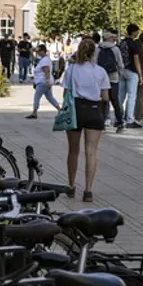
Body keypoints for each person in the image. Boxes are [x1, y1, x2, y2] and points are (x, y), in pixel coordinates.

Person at [63, 37, 108, 202]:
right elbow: (105, 96)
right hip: (94, 111)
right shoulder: (100, 71)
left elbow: (66, 92)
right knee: (91, 152)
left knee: (73, 150)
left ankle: (71, 185)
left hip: (76, 110)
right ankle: (88, 190)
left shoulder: (72, 70)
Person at [118, 25, 143, 130]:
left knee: (120, 96)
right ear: (133, 32)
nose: (137, 33)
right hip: (132, 71)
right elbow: (136, 59)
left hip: (122, 70)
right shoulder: (134, 44)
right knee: (131, 96)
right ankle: (129, 119)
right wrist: (140, 74)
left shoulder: (122, 43)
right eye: (136, 31)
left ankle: (118, 118)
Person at [97, 31, 125, 133]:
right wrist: (120, 75)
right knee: (115, 100)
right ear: (110, 39)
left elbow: (95, 63)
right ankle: (120, 122)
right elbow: (120, 64)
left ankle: (102, 123)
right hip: (113, 78)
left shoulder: (98, 49)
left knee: (102, 101)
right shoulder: (115, 49)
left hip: (101, 79)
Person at [26, 44, 60, 119]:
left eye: (39, 51)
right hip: (44, 81)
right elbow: (35, 59)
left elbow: (46, 71)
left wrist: (47, 81)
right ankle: (60, 110)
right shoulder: (44, 59)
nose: (38, 53)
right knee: (50, 97)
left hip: (43, 82)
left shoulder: (45, 60)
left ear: (43, 51)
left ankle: (34, 112)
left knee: (37, 96)